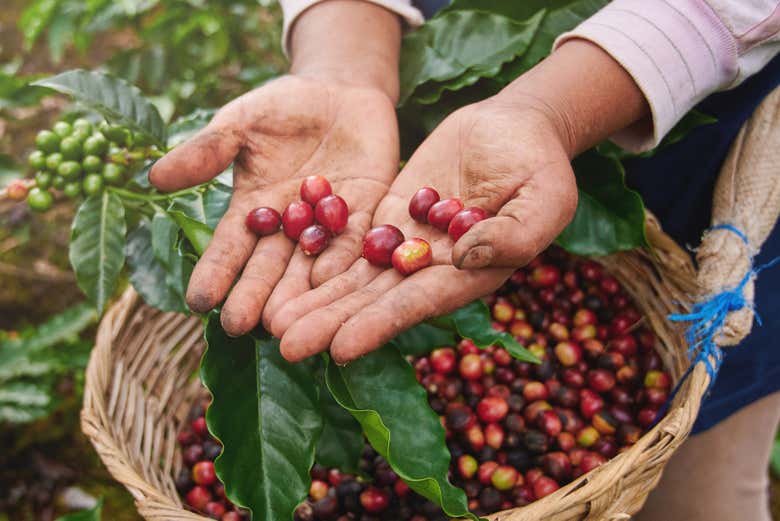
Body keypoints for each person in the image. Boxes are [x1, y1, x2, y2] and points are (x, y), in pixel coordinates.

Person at [148, 1, 780, 519]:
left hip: (708, 119)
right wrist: (344, 57)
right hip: (455, 118)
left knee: (706, 477)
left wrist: (552, 109)